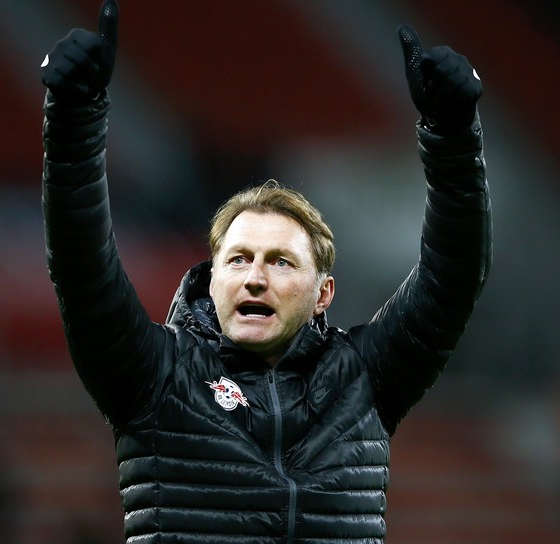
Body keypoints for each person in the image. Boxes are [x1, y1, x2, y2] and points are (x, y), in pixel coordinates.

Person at [40, 1, 491, 542]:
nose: (255, 277)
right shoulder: (154, 375)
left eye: (280, 262)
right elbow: (81, 267)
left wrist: (453, 136)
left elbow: (454, 274)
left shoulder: (364, 379)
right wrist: (74, 119)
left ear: (324, 293)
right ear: (212, 282)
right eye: (238, 259)